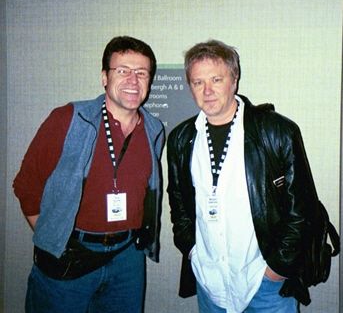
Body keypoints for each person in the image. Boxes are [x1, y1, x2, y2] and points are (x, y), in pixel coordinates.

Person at [167, 39, 321, 313]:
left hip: (265, 285)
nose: (208, 90)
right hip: (210, 283)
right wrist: (191, 250)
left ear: (234, 80)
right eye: (198, 82)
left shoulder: (276, 132)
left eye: (216, 79)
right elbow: (178, 200)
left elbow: (302, 207)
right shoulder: (182, 138)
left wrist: (277, 268)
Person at [13, 36, 165, 313]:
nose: (133, 80)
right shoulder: (69, 119)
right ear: (104, 77)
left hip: (127, 257)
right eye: (123, 70)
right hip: (70, 254)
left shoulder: (154, 129)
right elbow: (26, 186)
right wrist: (54, 237)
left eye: (141, 73)